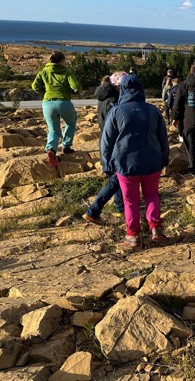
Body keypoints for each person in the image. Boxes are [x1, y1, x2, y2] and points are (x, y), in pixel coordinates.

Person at [101, 74, 169, 248]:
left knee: (130, 199)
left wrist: (106, 163)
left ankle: (133, 234)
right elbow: (162, 136)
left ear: (122, 90)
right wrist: (164, 157)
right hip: (152, 160)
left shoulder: (116, 111)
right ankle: (156, 229)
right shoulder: (152, 110)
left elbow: (107, 140)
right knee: (152, 195)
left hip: (125, 162)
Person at [83, 73, 125, 223]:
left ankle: (120, 209)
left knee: (118, 178)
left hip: (106, 141)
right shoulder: (113, 100)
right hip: (113, 143)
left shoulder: (104, 97)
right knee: (117, 178)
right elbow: (114, 125)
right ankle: (94, 210)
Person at [32, 51, 81, 166]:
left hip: (47, 103)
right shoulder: (66, 72)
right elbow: (76, 87)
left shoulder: (43, 71)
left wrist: (44, 92)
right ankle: (67, 146)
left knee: (53, 130)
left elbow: (35, 86)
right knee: (70, 123)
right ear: (62, 60)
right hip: (64, 102)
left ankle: (51, 149)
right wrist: (73, 91)